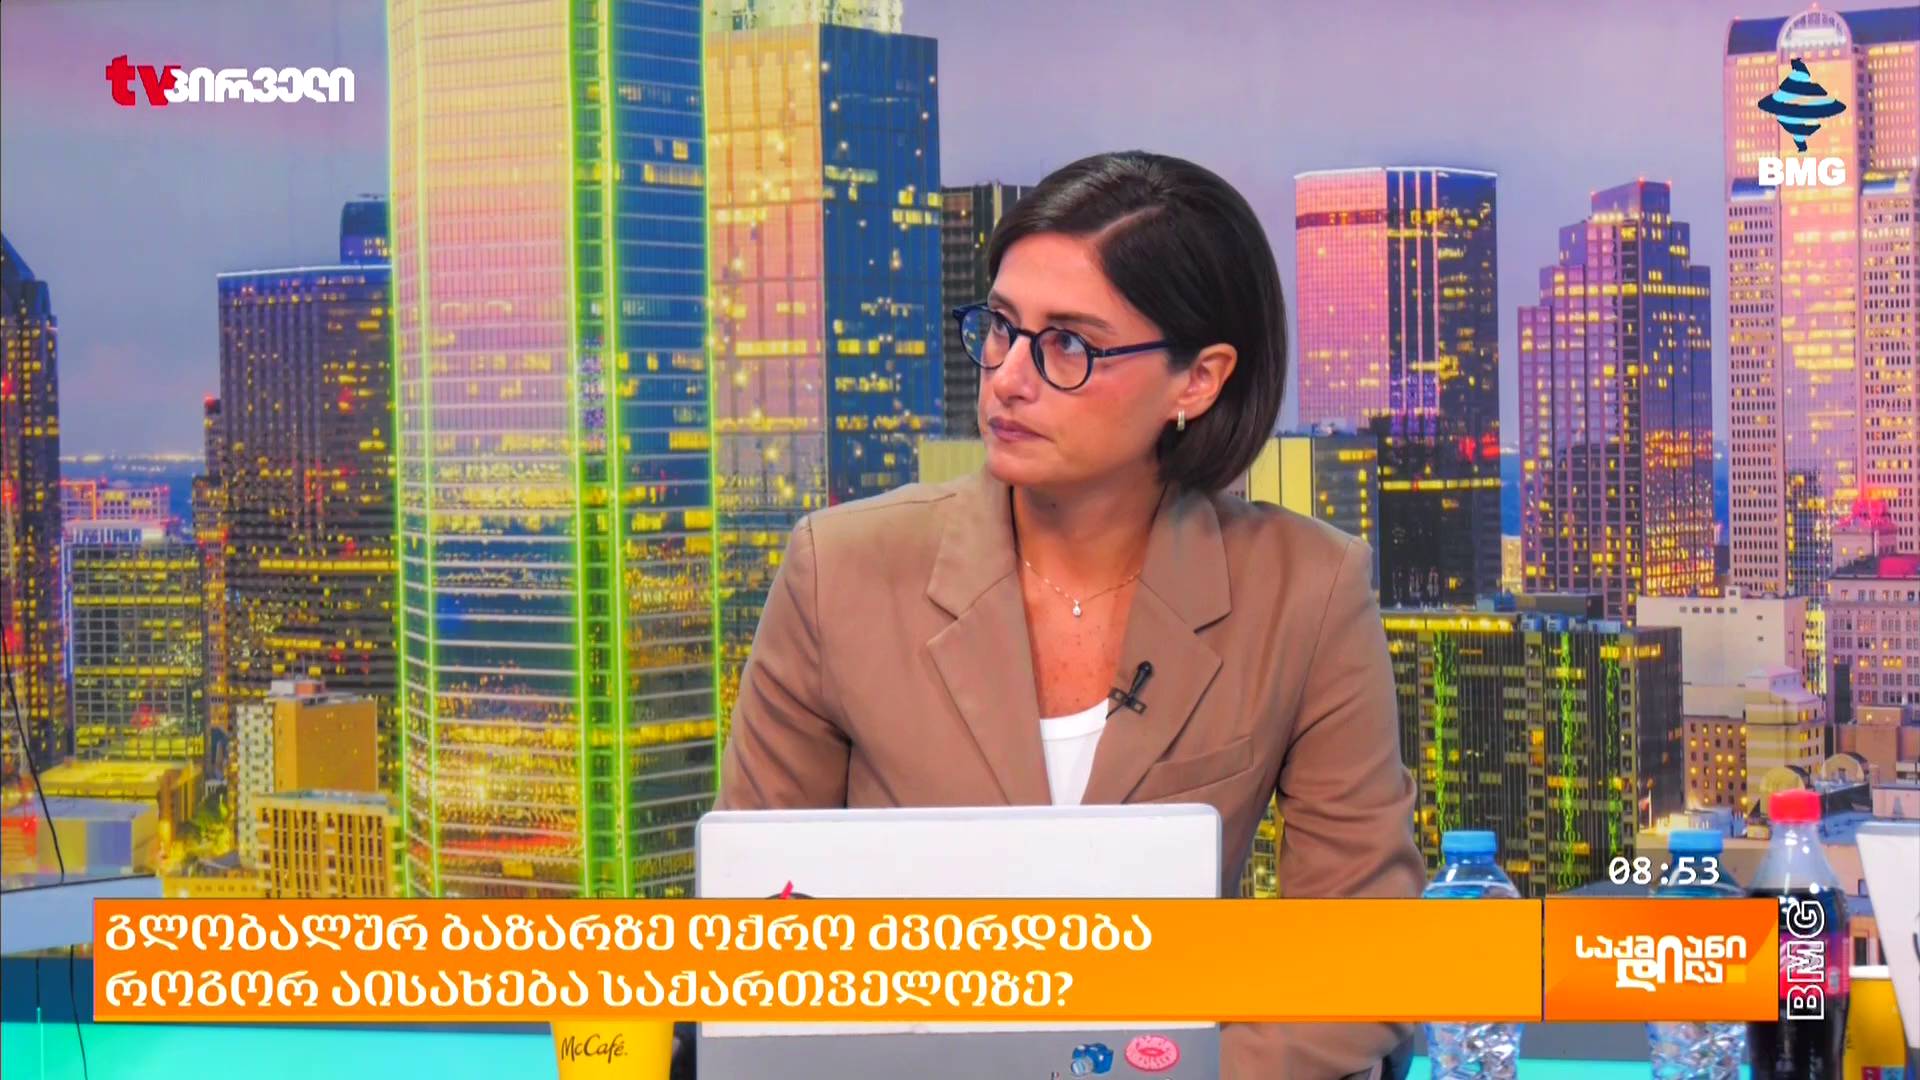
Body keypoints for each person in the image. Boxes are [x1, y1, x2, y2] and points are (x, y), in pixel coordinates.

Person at [715, 149, 1426, 1079]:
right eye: (1001, 328)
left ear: (1198, 380)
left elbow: (1362, 953)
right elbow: (754, 933)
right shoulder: (839, 572)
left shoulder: (1307, 591)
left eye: (1068, 346)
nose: (1009, 378)